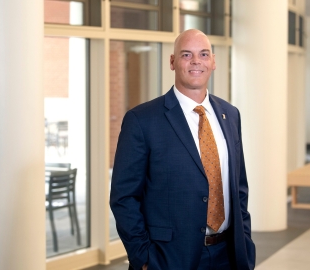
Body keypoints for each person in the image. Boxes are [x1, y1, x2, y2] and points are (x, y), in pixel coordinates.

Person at [109, 29, 255, 270]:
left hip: (228, 255)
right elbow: (124, 197)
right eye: (187, 54)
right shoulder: (142, 120)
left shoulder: (230, 115)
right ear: (172, 62)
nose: (196, 61)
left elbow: (239, 188)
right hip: (168, 258)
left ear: (213, 61)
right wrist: (143, 258)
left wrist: (245, 242)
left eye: (204, 54)